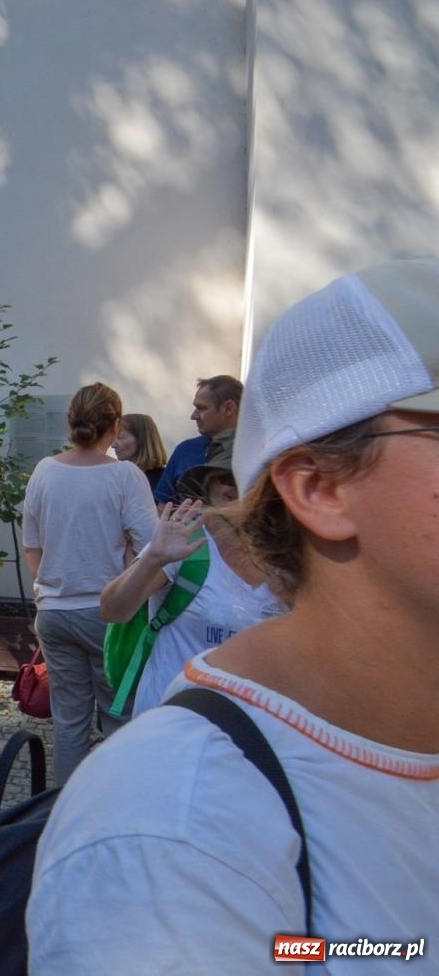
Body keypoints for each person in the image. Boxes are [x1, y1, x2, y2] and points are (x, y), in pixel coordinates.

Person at [29, 258, 439, 972]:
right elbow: (114, 598)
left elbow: (36, 548)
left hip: (63, 620)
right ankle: (55, 810)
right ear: (314, 489)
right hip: (141, 683)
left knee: (75, 727)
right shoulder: (173, 818)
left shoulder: (53, 474)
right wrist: (152, 558)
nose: (227, 496)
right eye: (218, 483)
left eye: (232, 482)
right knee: (83, 734)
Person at [20, 382, 156, 784]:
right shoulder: (124, 476)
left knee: (69, 721)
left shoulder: (44, 471)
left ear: (70, 421)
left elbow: (33, 549)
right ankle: (114, 807)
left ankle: (65, 810)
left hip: (55, 614)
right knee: (119, 716)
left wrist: (46, 596)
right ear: (115, 425)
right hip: (107, 614)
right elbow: (154, 547)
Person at [99, 430, 283, 717]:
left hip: (252, 731)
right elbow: (113, 609)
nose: (235, 486)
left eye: (246, 475)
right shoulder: (184, 539)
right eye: (225, 477)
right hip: (171, 724)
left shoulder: (287, 556)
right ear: (209, 485)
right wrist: (151, 561)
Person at [154, 375, 242, 503]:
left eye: (201, 408)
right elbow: (161, 505)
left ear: (228, 408)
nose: (193, 416)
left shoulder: (259, 452)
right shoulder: (185, 450)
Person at [114, 412, 168, 490]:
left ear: (142, 439)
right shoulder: (116, 479)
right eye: (113, 438)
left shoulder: (167, 480)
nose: (113, 445)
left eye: (120, 437)